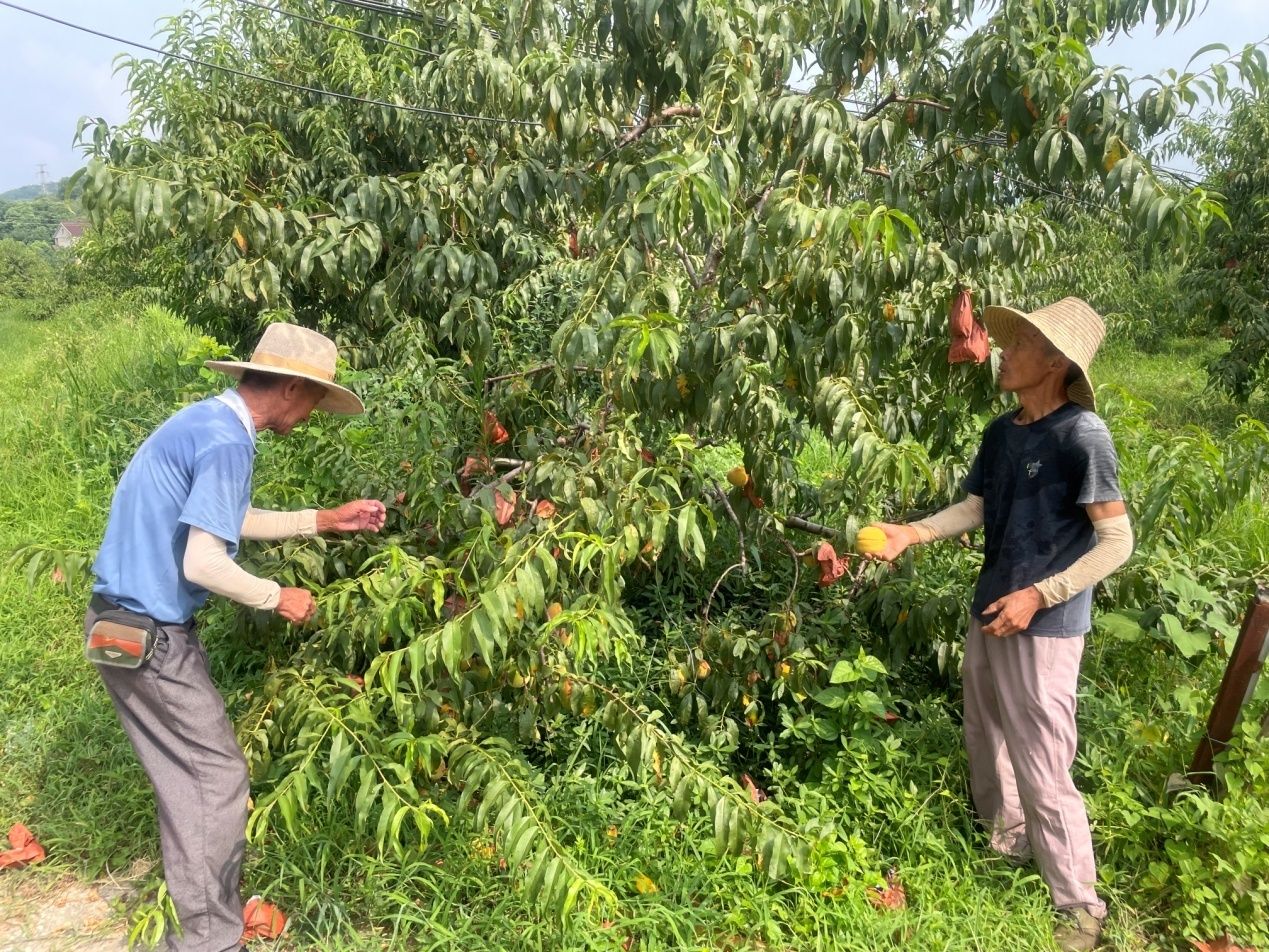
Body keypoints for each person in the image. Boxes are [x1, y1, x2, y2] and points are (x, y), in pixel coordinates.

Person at [85, 323, 387, 952]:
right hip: (151, 638)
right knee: (214, 777)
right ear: (292, 389)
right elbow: (203, 562)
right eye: (315, 400)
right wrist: (277, 596)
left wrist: (324, 520)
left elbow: (227, 518)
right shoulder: (227, 442)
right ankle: (210, 939)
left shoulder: (205, 422)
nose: (312, 414)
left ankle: (202, 916)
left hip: (115, 624)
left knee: (186, 777)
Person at [866, 297, 1134, 952]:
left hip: (1044, 625)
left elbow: (1116, 541)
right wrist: (910, 533)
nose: (1003, 354)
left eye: (1020, 345)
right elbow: (975, 508)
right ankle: (1008, 845)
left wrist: (1040, 595)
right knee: (985, 735)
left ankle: (1080, 908)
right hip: (990, 610)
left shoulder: (1082, 436)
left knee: (1043, 760)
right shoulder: (1002, 433)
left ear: (1055, 362)